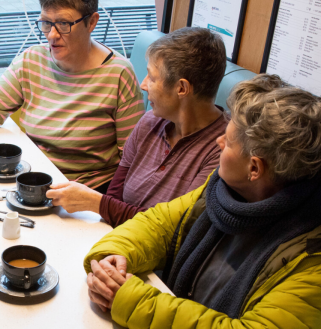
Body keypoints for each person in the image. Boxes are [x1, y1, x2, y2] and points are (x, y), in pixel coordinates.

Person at [84, 74, 321, 329]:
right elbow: (159, 223)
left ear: (254, 168)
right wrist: (115, 255)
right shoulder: (225, 190)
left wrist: (129, 299)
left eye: (227, 141)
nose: (218, 142)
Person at [47, 27, 228, 227]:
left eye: (151, 77)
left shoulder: (221, 151)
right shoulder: (150, 121)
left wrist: (95, 202)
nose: (143, 84)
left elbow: (174, 229)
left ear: (181, 88)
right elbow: (115, 196)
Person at [0, 0, 145, 192]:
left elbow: (133, 161)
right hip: (32, 183)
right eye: (46, 23)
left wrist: (102, 206)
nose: (52, 35)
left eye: (64, 24)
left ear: (91, 22)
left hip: (87, 192)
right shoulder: (31, 61)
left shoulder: (119, 74)